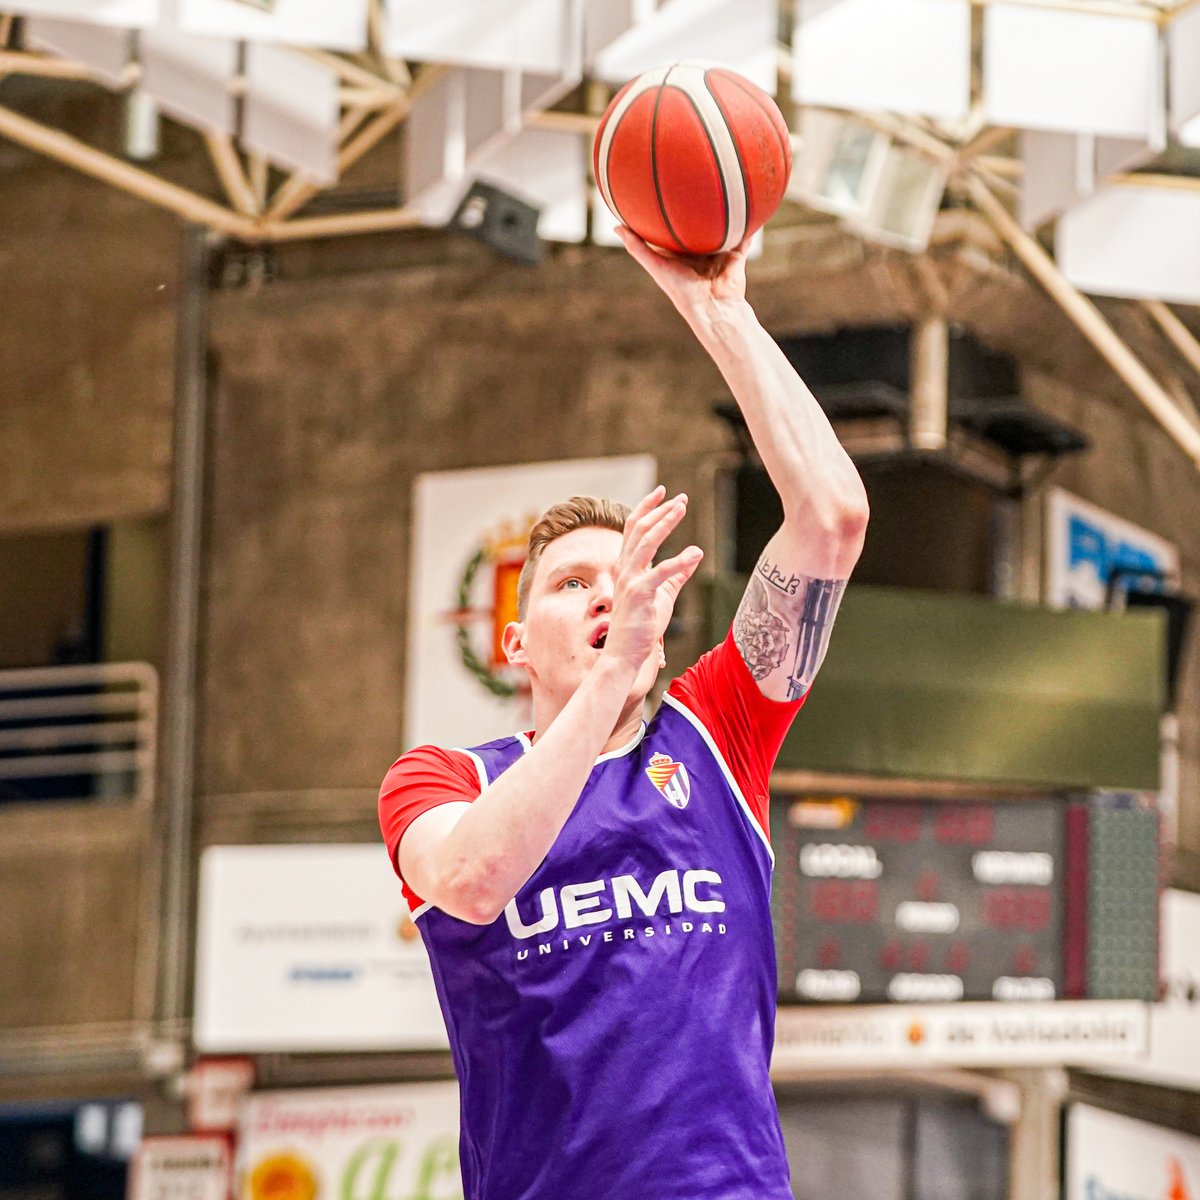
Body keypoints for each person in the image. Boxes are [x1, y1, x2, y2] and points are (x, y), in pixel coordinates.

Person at [378, 227, 869, 1200]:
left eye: (626, 576)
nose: (608, 594)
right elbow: (474, 879)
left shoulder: (715, 732)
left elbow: (832, 521)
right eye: (570, 585)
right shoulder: (443, 778)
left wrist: (724, 316)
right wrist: (612, 679)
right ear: (513, 646)